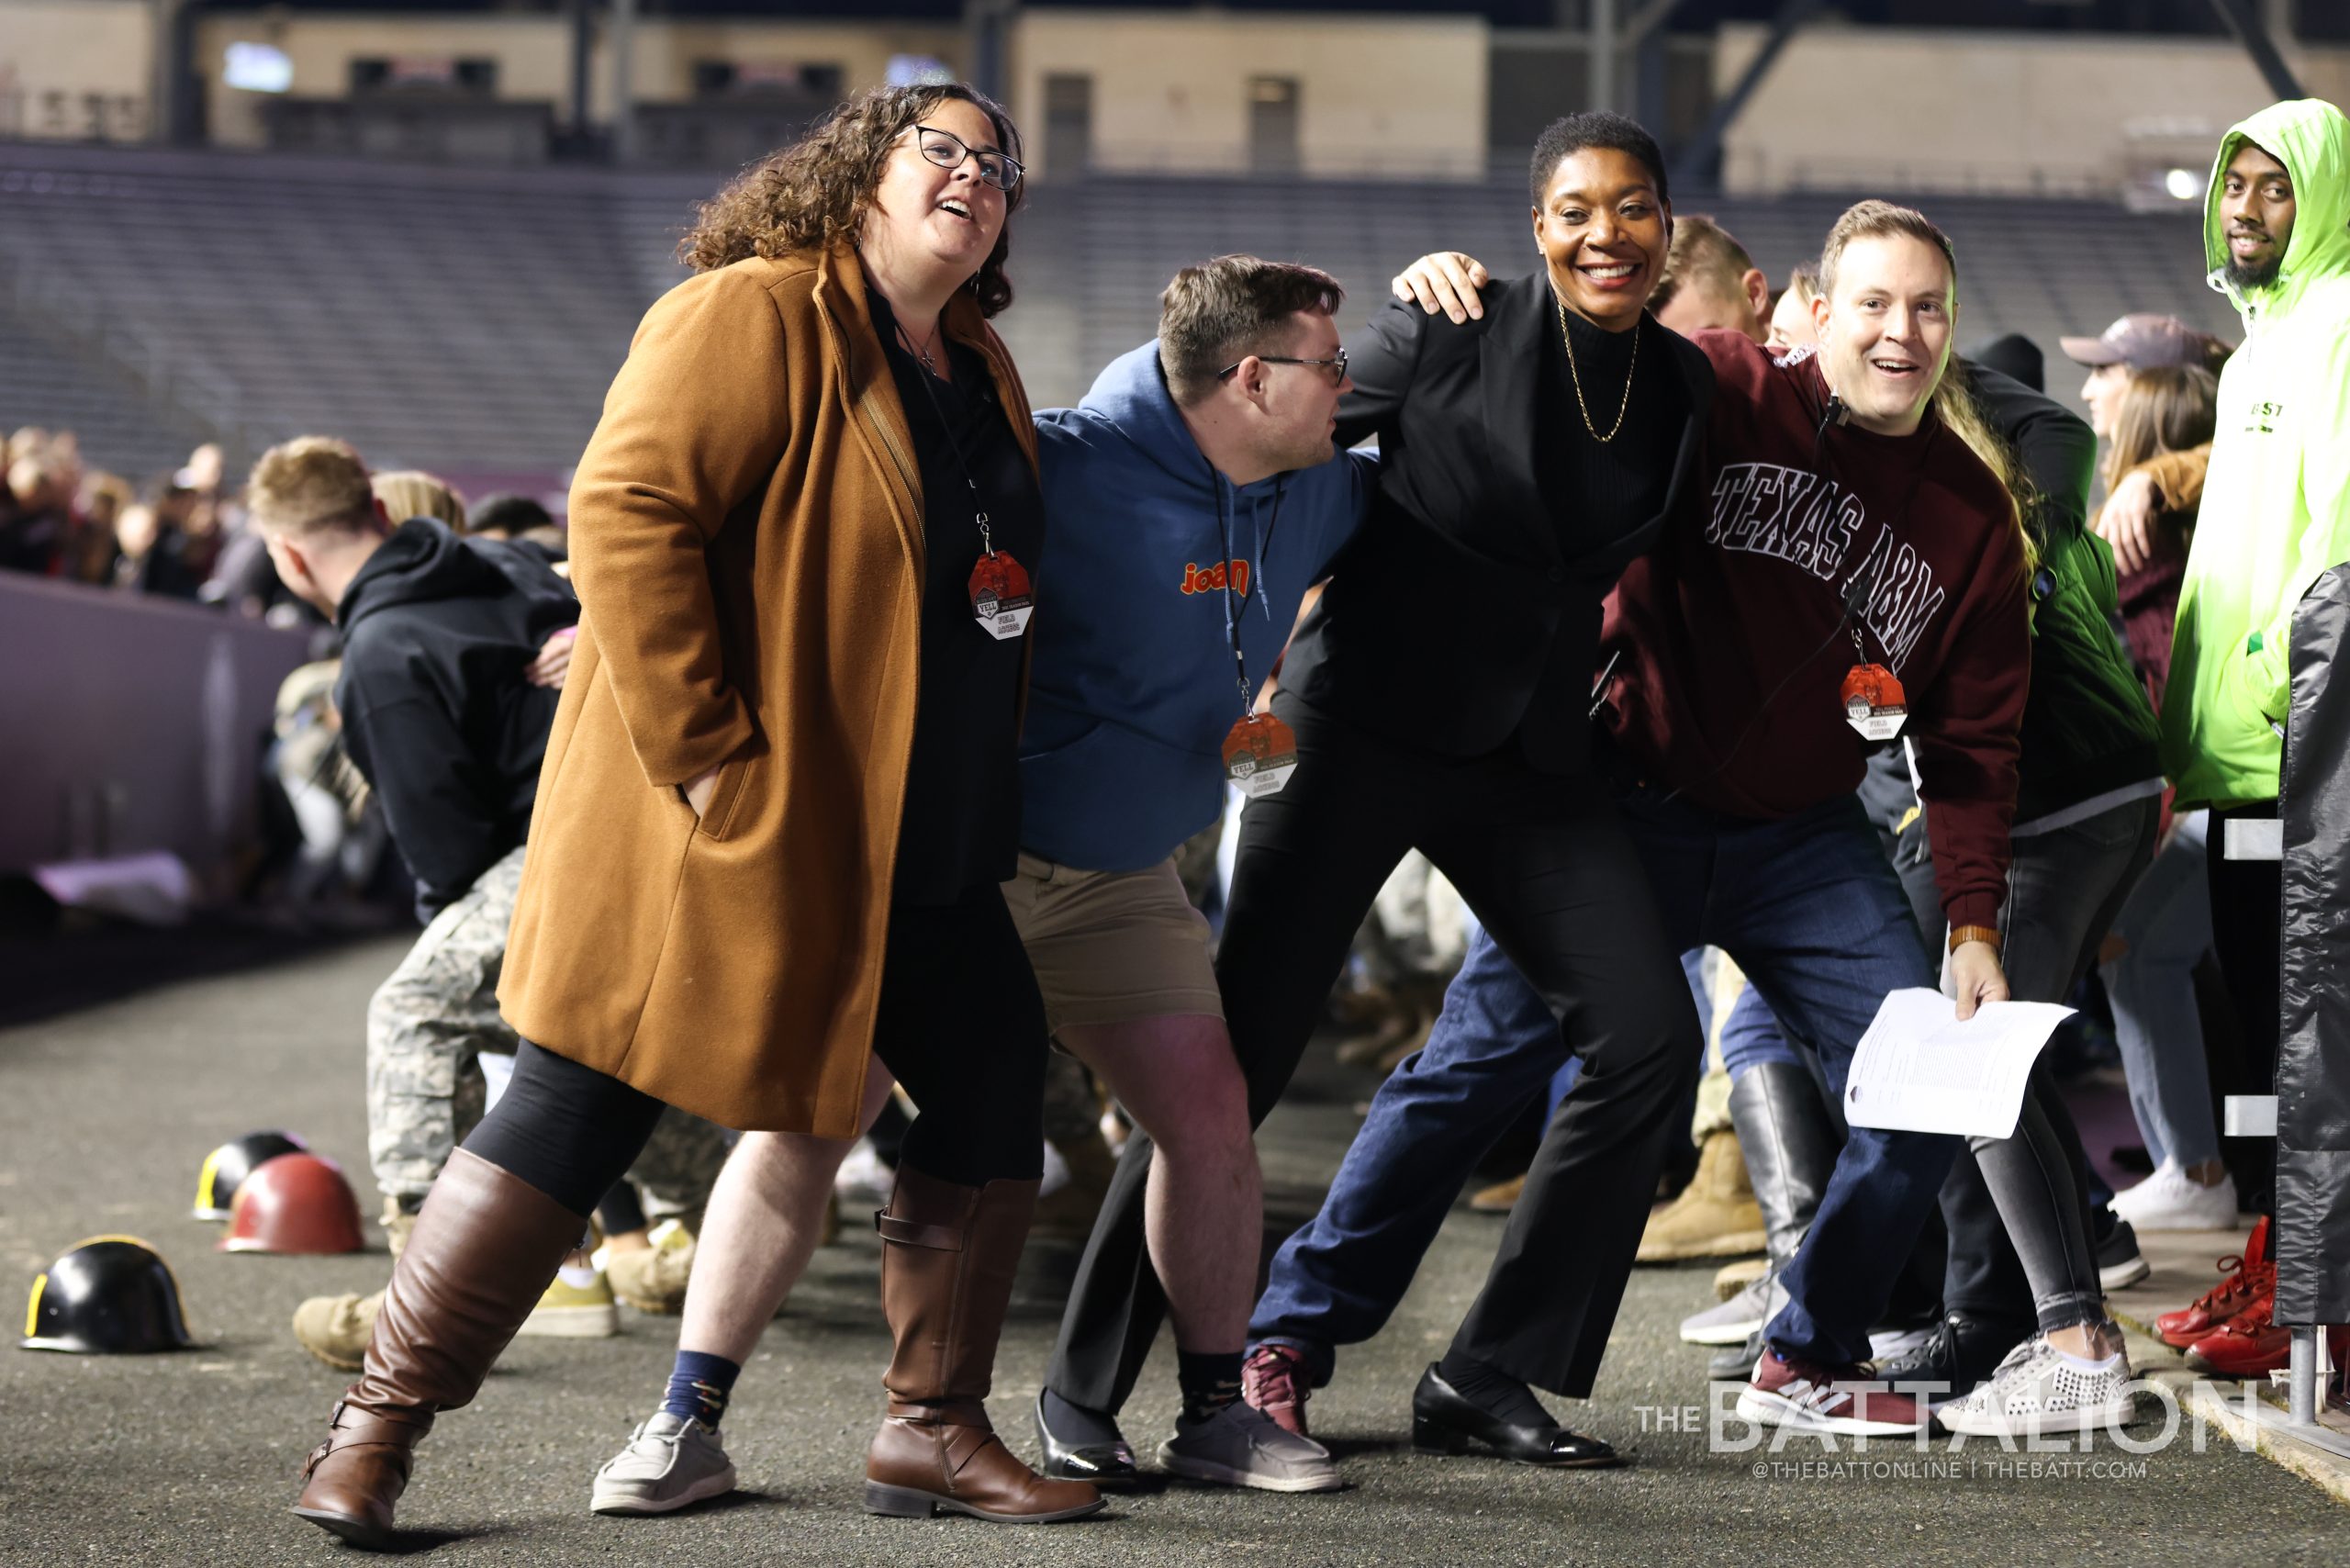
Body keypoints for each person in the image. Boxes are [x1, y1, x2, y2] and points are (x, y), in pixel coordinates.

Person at [287, 83, 1105, 1549]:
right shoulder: (756, 309)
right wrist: (709, 751)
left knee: (989, 1091)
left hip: (925, 821)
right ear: (860, 171)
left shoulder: (976, 362)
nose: (975, 177)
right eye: (943, 149)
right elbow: (623, 513)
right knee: (576, 1103)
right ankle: (376, 1431)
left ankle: (931, 1429)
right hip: (738, 814)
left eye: (998, 163)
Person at [592, 255, 1371, 1513]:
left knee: (1211, 1120)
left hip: (1124, 879)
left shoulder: (1323, 484)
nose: (1349, 386)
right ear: (1251, 377)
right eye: (1331, 367)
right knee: (810, 1124)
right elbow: (819, 544)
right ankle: (684, 1420)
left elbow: (1461, 453)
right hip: (966, 868)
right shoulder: (1049, 464)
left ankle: (1217, 1414)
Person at [1285, 195, 2041, 1445]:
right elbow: (1572, 349)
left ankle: (1807, 1351)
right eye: (1872, 302)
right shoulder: (1722, 389)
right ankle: (1290, 1327)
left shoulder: (1970, 518)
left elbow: (1972, 746)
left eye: (1927, 308)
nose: (1900, 331)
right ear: (1812, 307)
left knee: (1931, 1084)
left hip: (1803, 836)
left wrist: (1972, 922)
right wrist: (1441, 303)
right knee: (1473, 1073)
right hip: (1620, 806)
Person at [1048, 111, 1718, 1476]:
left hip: (1530, 760)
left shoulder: (1685, 387)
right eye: (1579, 209)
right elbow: (1232, 430)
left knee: (1648, 1037)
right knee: (1227, 1063)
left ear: (1665, 224)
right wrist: (1204, 630)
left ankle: (1493, 1370)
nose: (1609, 233)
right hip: (1353, 731)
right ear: (1540, 227)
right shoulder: (1443, 328)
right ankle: (1085, 1393)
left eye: (1636, 208)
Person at [2157, 98, 2350, 1378]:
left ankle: (2311, 1294)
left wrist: (2281, 687)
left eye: (2278, 189)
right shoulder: (2261, 343)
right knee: (2256, 1029)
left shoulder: (2339, 325)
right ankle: (2279, 1261)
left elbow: (2338, 531)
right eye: (2237, 186)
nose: (2248, 208)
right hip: (2230, 754)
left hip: (2294, 747)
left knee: (2302, 1024)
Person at [2070, 357, 2235, 1232]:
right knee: (2138, 953)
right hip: (2206, 781)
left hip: (2214, 782)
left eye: (2111, 372)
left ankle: (2199, 1167)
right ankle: (2194, 1165)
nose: (2092, 389)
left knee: (2133, 945)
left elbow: (2159, 671)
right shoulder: (2147, 508)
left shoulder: (2154, 520)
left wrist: (2150, 479)